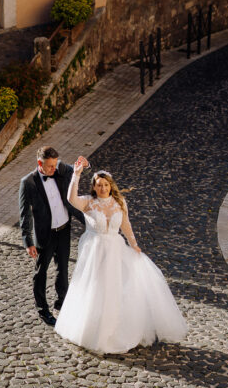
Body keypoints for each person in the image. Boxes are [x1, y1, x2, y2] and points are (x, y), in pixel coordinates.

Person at [55, 158, 189, 354]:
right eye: (99, 185)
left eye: (106, 185)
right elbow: (70, 199)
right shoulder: (88, 202)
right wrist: (76, 174)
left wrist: (134, 244)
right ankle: (92, 329)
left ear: (111, 186)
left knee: (115, 287)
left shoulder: (120, 202)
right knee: (95, 287)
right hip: (95, 251)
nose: (102, 188)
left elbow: (125, 224)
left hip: (115, 249)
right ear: (94, 187)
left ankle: (114, 329)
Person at [18, 146, 85, 326]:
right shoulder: (28, 182)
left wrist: (85, 164)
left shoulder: (60, 168)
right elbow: (25, 215)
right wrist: (28, 241)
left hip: (63, 230)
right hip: (45, 234)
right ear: (39, 163)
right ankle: (43, 310)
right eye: (49, 166)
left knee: (62, 269)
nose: (53, 169)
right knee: (41, 272)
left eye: (55, 165)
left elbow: (75, 169)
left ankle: (61, 303)